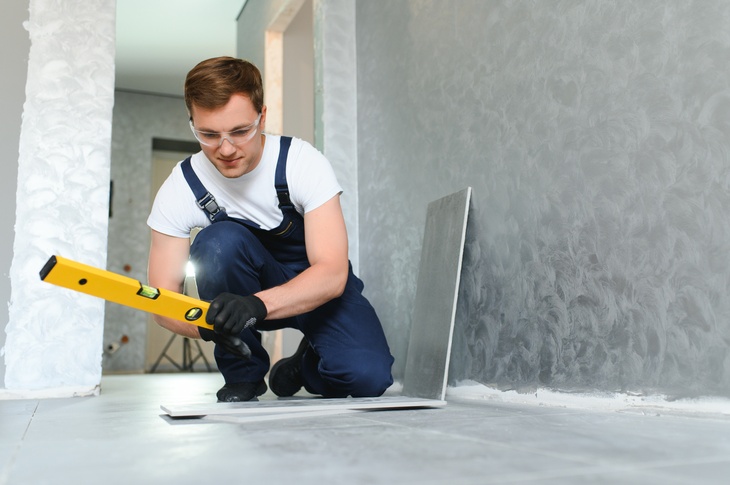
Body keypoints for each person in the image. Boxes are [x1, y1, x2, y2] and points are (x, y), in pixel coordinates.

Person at [146, 56, 394, 402]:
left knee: (367, 378)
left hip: (317, 292)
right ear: (192, 123)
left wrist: (255, 305)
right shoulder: (181, 187)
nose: (226, 148)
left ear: (262, 117)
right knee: (218, 242)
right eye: (208, 135)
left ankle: (303, 366)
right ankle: (243, 376)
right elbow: (162, 301)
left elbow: (333, 273)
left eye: (240, 131)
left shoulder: (300, 162)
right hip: (242, 303)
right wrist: (207, 323)